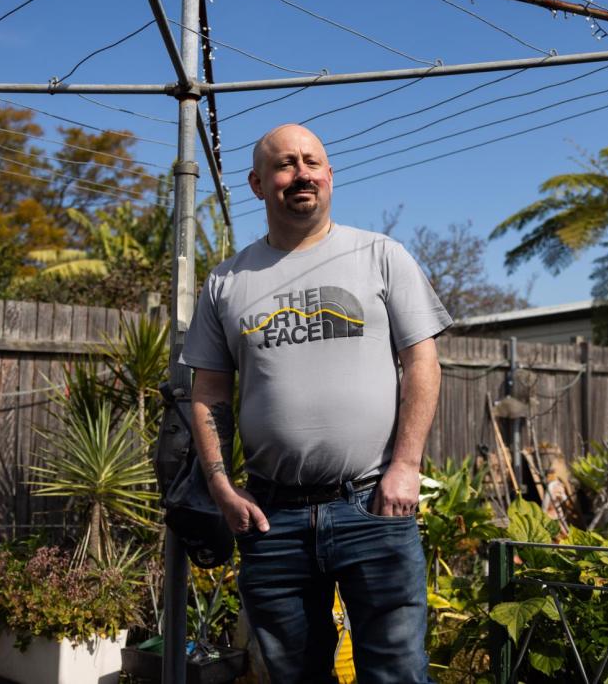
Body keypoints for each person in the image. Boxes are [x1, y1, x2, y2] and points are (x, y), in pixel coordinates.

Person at [182, 123, 451, 683]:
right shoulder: (226, 282)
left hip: (372, 507)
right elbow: (207, 392)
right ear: (258, 184)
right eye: (285, 164)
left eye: (311, 162)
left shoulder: (381, 256)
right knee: (297, 675)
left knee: (396, 674)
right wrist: (220, 487)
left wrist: (406, 467)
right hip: (271, 519)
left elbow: (422, 362)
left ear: (329, 176)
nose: (300, 173)